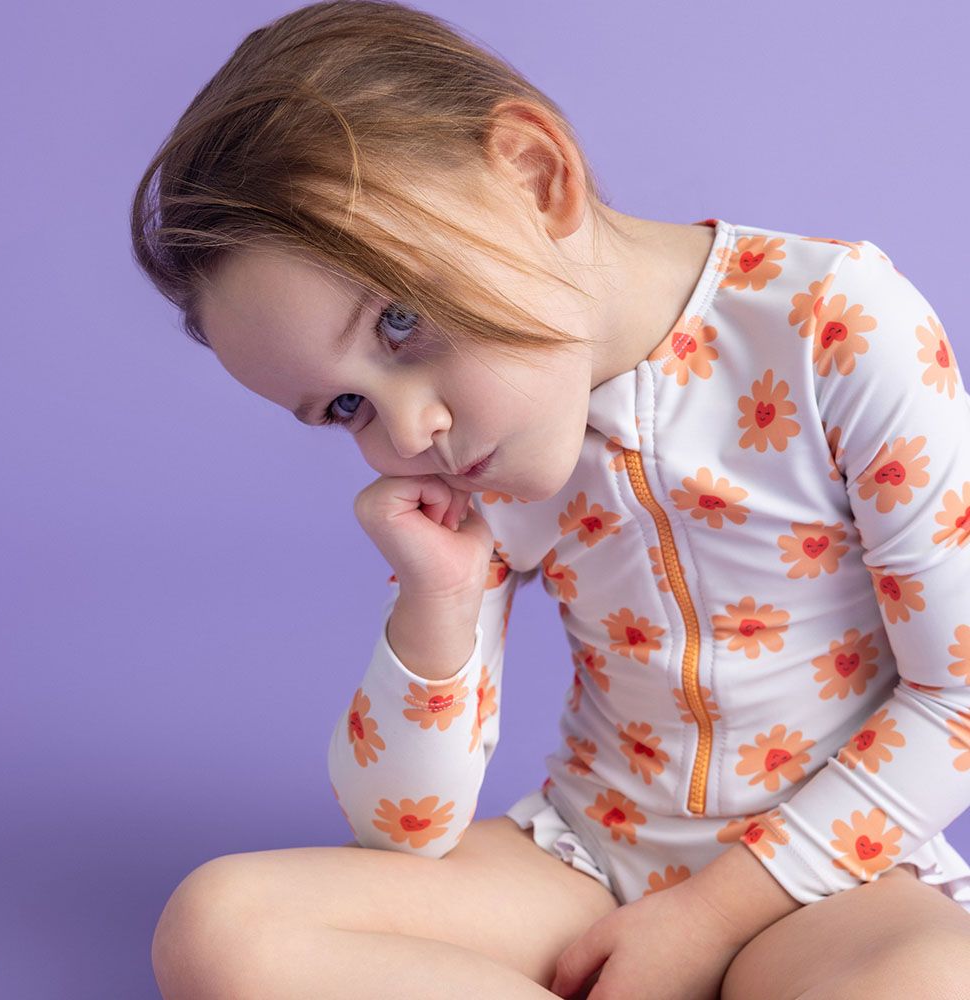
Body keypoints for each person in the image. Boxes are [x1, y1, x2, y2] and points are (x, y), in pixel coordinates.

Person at [131, 2, 970, 997]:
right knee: (220, 927)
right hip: (586, 862)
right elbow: (403, 831)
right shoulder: (477, 464)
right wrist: (433, 600)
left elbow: (954, 700)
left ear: (535, 178)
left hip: (831, 881)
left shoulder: (832, 325)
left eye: (399, 321)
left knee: (919, 979)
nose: (406, 436)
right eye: (345, 404)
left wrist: (707, 920)